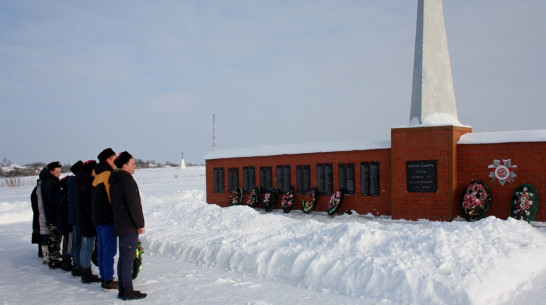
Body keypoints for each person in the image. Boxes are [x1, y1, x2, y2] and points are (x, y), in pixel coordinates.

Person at [109, 151, 147, 300]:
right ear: (124, 165)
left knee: (124, 257)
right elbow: (134, 205)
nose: (135, 166)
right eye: (132, 163)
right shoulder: (127, 180)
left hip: (121, 223)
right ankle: (126, 291)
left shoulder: (116, 179)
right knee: (127, 258)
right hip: (128, 225)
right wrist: (140, 224)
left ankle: (124, 288)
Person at [91, 148, 119, 289]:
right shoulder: (108, 174)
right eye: (114, 159)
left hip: (98, 218)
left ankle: (104, 276)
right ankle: (108, 279)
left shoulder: (97, 176)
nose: (116, 162)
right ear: (108, 160)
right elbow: (111, 198)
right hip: (107, 218)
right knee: (109, 250)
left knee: (102, 248)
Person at [75, 159, 101, 284]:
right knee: (88, 247)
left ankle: (84, 269)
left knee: (85, 247)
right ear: (91, 171)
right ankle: (86, 273)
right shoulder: (87, 184)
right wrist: (94, 218)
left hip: (82, 219)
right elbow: (89, 206)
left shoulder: (80, 182)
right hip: (87, 221)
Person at [41, 161, 62, 269]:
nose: (59, 173)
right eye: (57, 171)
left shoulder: (52, 181)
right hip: (53, 214)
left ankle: (54, 257)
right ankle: (54, 260)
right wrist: (60, 200)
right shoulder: (49, 183)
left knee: (55, 238)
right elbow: (51, 200)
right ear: (51, 171)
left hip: (53, 214)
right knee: (54, 238)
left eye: (60, 171)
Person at [67, 160, 83, 276]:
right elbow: (75, 202)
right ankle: (77, 266)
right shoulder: (75, 184)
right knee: (78, 242)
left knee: (78, 242)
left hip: (75, 216)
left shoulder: (73, 182)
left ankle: (77, 265)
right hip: (77, 216)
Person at [56, 176, 73, 272]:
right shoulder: (64, 196)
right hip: (67, 224)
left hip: (64, 223)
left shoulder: (61, 195)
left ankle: (66, 261)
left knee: (67, 242)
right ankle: (66, 263)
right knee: (68, 243)